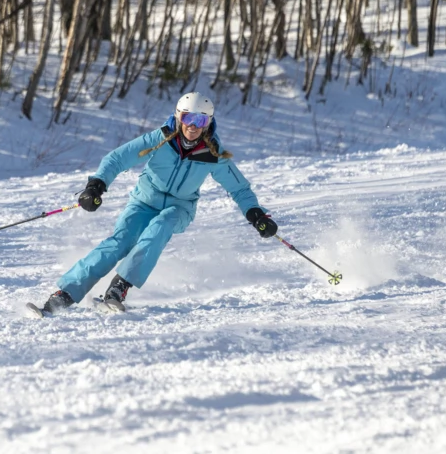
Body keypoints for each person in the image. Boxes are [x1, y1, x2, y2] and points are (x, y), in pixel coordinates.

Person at [36, 92, 278, 315]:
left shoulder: (213, 154)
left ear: (209, 123)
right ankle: (65, 294)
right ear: (178, 117)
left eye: (201, 121)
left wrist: (255, 214)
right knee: (118, 243)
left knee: (161, 225)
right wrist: (97, 184)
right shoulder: (159, 139)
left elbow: (239, 188)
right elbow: (118, 158)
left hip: (179, 208)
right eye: (188, 118)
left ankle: (120, 286)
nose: (193, 126)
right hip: (143, 202)